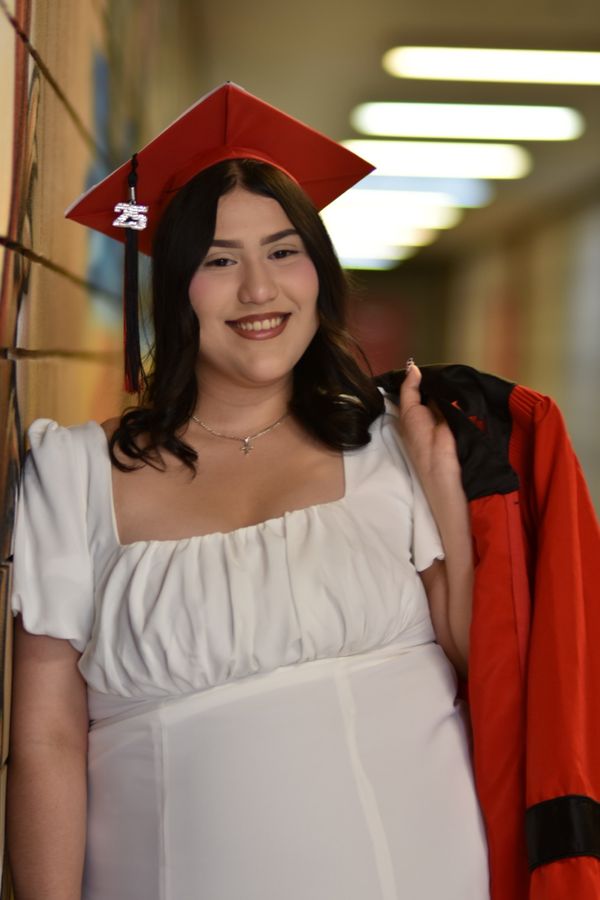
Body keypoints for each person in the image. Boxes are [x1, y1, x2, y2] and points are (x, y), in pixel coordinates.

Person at [7, 84, 489, 899]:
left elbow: (485, 662)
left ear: (320, 273)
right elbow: (47, 739)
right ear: (174, 287)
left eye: (283, 251)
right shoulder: (75, 475)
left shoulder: (392, 444)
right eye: (220, 260)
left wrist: (443, 488)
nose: (259, 290)